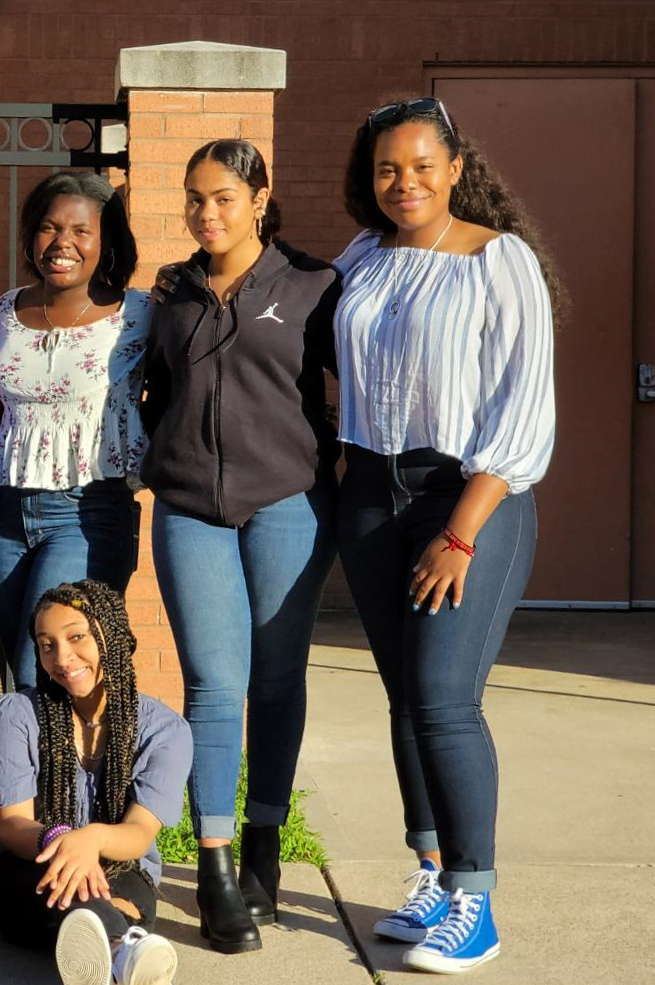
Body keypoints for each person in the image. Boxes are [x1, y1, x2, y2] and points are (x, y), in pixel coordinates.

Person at [334, 97, 556, 974]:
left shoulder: (499, 261)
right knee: (401, 699)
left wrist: (459, 531)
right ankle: (428, 869)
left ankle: (475, 897)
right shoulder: (361, 258)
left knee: (442, 696)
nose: (404, 183)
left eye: (422, 165)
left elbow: (522, 409)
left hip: (466, 496)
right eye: (388, 168)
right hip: (368, 494)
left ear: (457, 167)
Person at [141, 139, 340, 953]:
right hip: (190, 505)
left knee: (278, 676)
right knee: (214, 686)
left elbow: (357, 387)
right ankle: (217, 864)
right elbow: (151, 388)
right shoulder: (171, 292)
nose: (206, 213)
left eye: (222, 196)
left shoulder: (312, 285)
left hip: (286, 503)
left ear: (260, 197)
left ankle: (266, 840)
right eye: (194, 198)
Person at [0, 172, 149, 690]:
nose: (63, 243)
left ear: (107, 241)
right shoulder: (7, 310)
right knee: (17, 671)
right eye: (50, 228)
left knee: (49, 670)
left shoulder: (138, 313)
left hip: (88, 510)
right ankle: (28, 772)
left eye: (81, 231)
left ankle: (79, 771)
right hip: (4, 510)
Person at [0, 580, 190, 985]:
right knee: (81, 893)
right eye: (47, 645)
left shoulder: (165, 730)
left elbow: (137, 835)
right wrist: (63, 841)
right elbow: (11, 826)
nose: (62, 657)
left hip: (121, 867)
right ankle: (122, 950)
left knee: (123, 893)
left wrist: (92, 841)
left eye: (76, 637)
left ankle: (105, 949)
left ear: (109, 636)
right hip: (35, 865)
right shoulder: (18, 714)